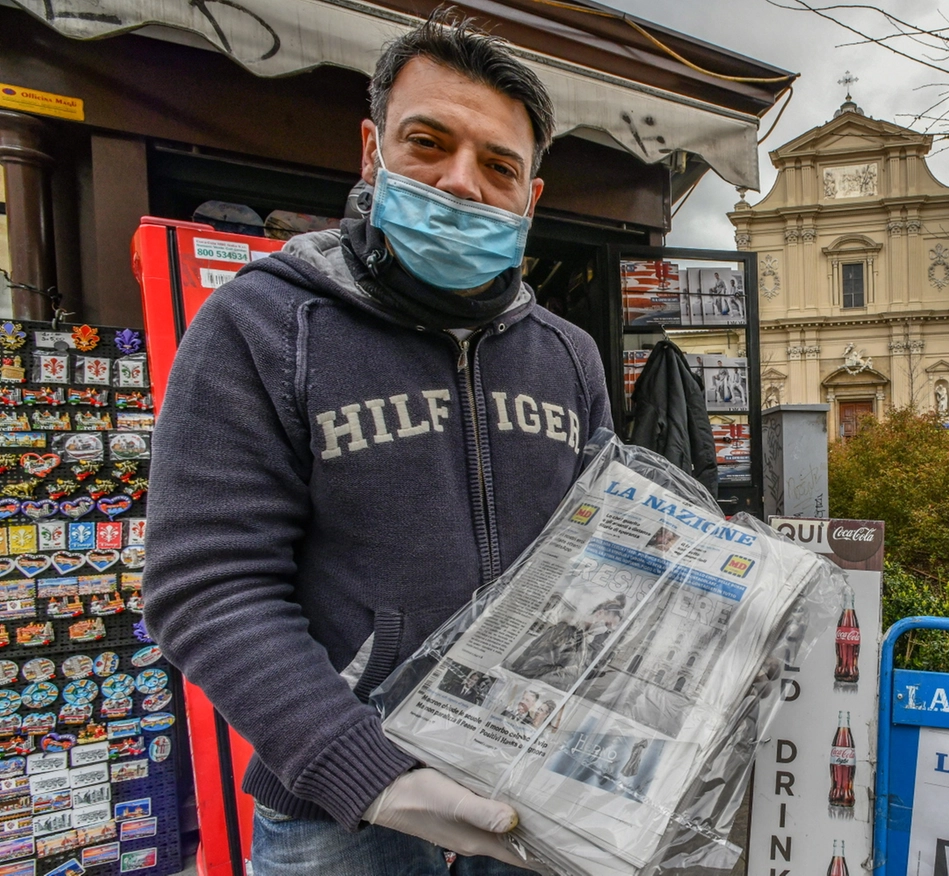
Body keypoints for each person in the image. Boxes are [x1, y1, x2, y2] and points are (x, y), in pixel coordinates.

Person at [143, 11, 612, 875]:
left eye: (499, 165)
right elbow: (203, 584)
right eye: (429, 142)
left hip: (537, 797)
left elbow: (603, 565)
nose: (463, 183)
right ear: (371, 150)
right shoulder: (262, 324)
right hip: (339, 819)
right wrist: (371, 775)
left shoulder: (568, 356)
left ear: (530, 197)